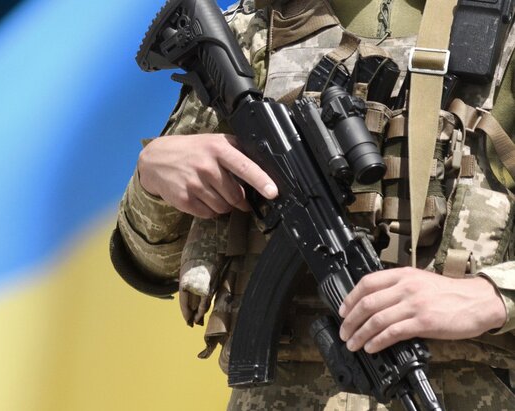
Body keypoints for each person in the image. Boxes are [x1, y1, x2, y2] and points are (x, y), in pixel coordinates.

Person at [110, 0, 515, 409]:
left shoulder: (503, 34)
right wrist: (153, 179)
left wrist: (493, 295)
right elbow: (152, 265)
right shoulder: (257, 30)